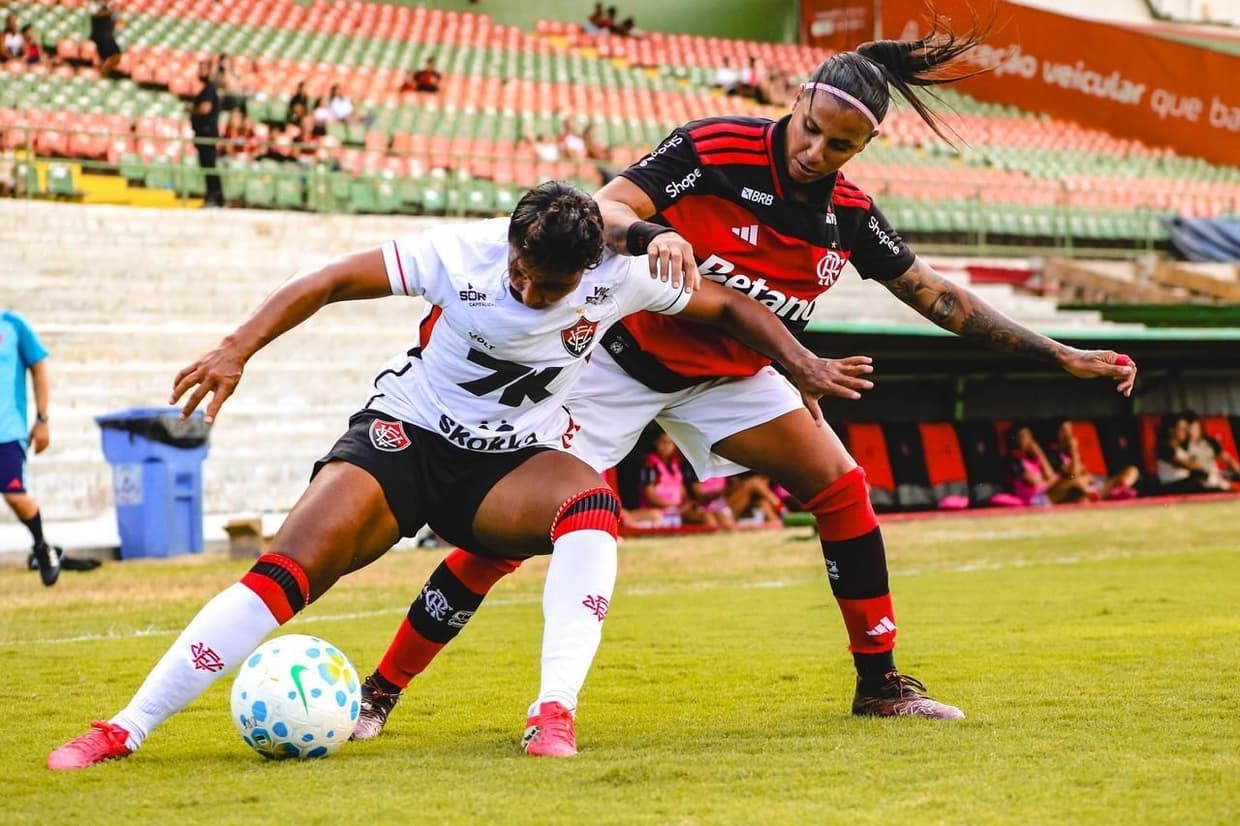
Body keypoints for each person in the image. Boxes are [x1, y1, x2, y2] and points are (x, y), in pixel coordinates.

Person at [354, 17, 1140, 755]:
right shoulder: (715, 147)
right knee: (503, 541)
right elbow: (606, 208)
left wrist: (1059, 354)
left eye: (839, 145)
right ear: (796, 102)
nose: (815, 152)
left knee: (841, 486)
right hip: (616, 363)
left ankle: (880, 684)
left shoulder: (849, 216)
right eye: (810, 130)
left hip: (729, 378)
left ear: (865, 146)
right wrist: (655, 233)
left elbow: (939, 297)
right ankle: (381, 691)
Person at [45, 181, 852, 770]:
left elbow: (729, 308)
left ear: (588, 271)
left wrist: (800, 363)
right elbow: (329, 281)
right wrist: (236, 348)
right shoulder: (458, 255)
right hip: (406, 439)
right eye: (522, 272)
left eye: (550, 287)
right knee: (288, 571)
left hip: (506, 467)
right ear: (510, 244)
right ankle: (123, 728)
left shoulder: (618, 275)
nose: (529, 290)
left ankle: (553, 712)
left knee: (592, 504)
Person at [1, 310, 59, 586]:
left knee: (15, 497)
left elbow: (39, 366)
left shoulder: (12, 325)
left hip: (7, 431)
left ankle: (41, 546)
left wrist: (42, 419)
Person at [1049, 419, 1139, 502]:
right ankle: (1100, 496)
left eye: (1070, 429)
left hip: (1093, 484)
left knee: (1132, 470)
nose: (1068, 434)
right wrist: (1074, 451)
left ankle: (1118, 490)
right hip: (1075, 487)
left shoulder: (1070, 452)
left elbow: (1084, 471)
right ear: (1058, 434)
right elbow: (1072, 475)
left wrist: (1087, 475)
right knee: (1077, 482)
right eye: (1064, 430)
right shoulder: (1056, 455)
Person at [1155, 413, 1220, 494]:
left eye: (1186, 429)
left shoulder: (1181, 448)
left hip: (1185, 482)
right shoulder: (1164, 447)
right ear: (1172, 430)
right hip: (1171, 485)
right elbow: (1186, 465)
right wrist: (1205, 470)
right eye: (1182, 429)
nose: (1186, 432)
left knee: (1204, 478)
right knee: (1200, 477)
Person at [189, 60, 224, 207]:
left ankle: (214, 196)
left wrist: (191, 109)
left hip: (207, 134)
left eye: (204, 69)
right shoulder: (207, 89)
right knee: (208, 166)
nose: (201, 72)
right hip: (203, 133)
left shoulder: (209, 89)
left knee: (209, 166)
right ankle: (215, 196)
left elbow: (205, 108)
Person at [1183, 411, 1240, 487]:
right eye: (1186, 428)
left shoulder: (1210, 441)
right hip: (1195, 480)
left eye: (1192, 427)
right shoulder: (1183, 445)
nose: (1190, 431)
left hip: (1215, 479)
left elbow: (1228, 459)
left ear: (1199, 426)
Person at [89, 1, 123, 79]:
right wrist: (110, 11)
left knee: (116, 56)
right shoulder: (94, 3)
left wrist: (118, 25)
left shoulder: (111, 6)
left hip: (109, 36)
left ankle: (104, 74)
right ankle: (101, 75)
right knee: (106, 57)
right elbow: (94, 14)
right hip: (99, 36)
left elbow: (118, 20)